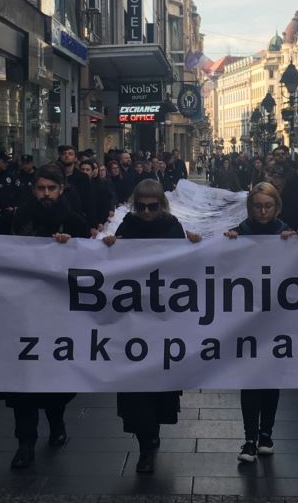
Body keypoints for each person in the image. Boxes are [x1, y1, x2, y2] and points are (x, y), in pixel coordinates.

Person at [102, 179, 201, 473]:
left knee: (159, 383)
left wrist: (194, 245)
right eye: (141, 206)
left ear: (162, 205)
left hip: (163, 320)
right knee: (135, 386)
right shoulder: (128, 225)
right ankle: (146, 443)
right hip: (132, 320)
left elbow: (185, 268)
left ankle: (152, 434)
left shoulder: (172, 226)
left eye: (152, 206)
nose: (146, 212)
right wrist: (110, 246)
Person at [2, 166, 92, 469]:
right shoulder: (22, 217)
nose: (46, 194)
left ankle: (56, 423)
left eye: (51, 188)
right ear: (33, 190)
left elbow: (90, 263)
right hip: (25, 310)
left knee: (55, 379)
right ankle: (25, 442)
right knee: (24, 381)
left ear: (61, 189)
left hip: (59, 313)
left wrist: (71, 246)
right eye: (41, 188)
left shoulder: (74, 220)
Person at [224, 183, 298, 463]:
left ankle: (266, 434)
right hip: (247, 318)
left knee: (271, 378)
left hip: (276, 318)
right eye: (258, 206)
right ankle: (250, 437)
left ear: (277, 207)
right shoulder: (239, 232)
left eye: (268, 206)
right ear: (250, 208)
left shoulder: (286, 232)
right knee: (250, 378)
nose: (263, 211)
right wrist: (228, 242)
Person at [55, 145, 95, 221]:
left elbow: (89, 200)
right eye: (64, 153)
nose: (67, 156)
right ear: (60, 157)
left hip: (77, 217)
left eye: (70, 154)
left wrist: (92, 222)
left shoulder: (83, 177)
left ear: (75, 158)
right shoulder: (55, 176)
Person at [80, 159, 115, 227]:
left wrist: (101, 222)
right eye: (82, 169)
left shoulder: (100, 186)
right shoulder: (75, 186)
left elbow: (104, 205)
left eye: (87, 170)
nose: (84, 172)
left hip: (95, 223)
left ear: (92, 172)